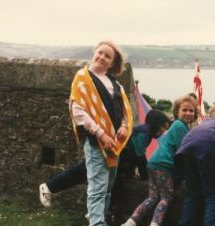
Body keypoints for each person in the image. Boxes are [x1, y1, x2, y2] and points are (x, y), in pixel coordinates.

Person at [39, 110, 171, 208]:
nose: (164, 130)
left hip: (116, 156)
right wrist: (145, 178)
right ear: (156, 124)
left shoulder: (146, 132)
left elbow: (132, 155)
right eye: (163, 126)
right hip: (109, 151)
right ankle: (49, 187)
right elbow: (140, 158)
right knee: (82, 172)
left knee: (111, 186)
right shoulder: (144, 133)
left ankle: (97, 214)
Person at [70, 40, 133, 226]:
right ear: (94, 53)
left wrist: (123, 126)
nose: (102, 57)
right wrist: (100, 134)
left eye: (108, 56)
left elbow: (124, 111)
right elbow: (78, 112)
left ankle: (97, 219)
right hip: (97, 142)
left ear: (113, 63)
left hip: (114, 143)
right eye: (100, 53)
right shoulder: (82, 77)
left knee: (107, 188)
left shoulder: (115, 84)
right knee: (97, 188)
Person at [121, 95, 198, 226]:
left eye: (191, 110)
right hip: (164, 165)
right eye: (184, 110)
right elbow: (183, 151)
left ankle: (130, 222)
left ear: (195, 113)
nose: (188, 113)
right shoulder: (180, 126)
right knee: (166, 198)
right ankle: (155, 223)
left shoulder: (180, 127)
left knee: (152, 197)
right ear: (177, 112)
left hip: (154, 163)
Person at [175, 102, 215, 226]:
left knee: (192, 194)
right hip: (207, 149)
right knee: (212, 196)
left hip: (185, 150)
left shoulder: (202, 124)